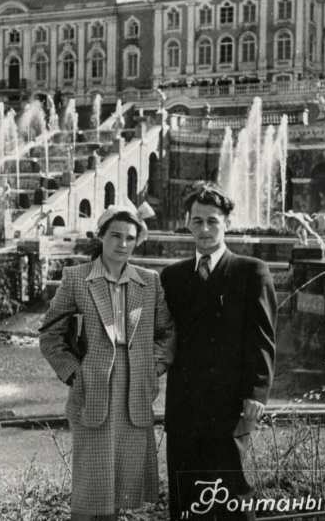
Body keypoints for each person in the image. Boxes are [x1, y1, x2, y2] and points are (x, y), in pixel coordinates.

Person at [39, 205, 176, 521]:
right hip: (92, 392)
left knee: (121, 490)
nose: (123, 244)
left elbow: (167, 333)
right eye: (115, 235)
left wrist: (152, 368)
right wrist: (75, 374)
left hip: (135, 392)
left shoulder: (149, 281)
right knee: (90, 490)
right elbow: (50, 334)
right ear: (101, 236)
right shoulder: (77, 278)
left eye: (130, 238)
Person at [160, 182, 277, 521]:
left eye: (212, 220)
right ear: (187, 223)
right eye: (197, 221)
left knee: (232, 499)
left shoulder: (249, 270)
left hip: (229, 406)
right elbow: (161, 334)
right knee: (185, 502)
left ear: (227, 222)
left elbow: (263, 337)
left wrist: (257, 392)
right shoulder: (173, 276)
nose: (205, 229)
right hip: (184, 405)